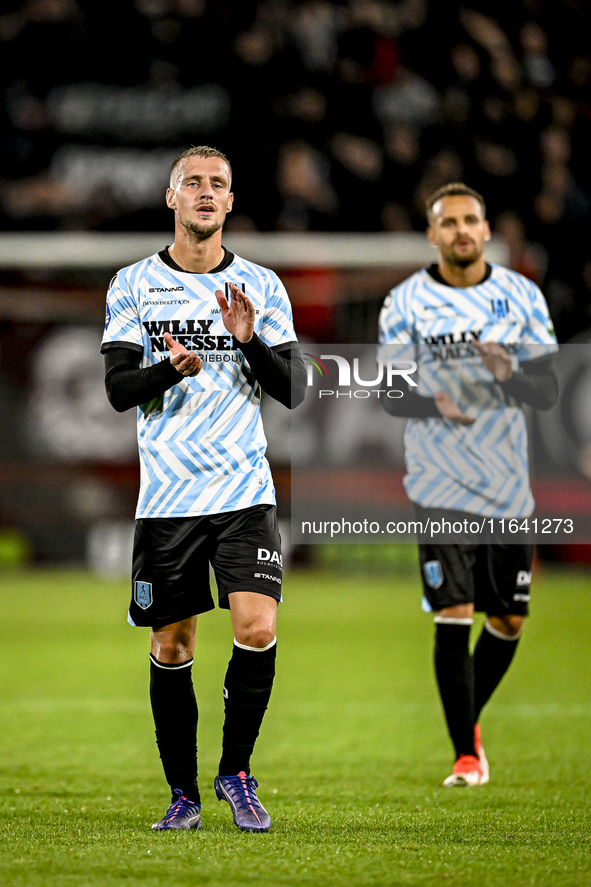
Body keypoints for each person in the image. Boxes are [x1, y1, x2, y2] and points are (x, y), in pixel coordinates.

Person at [101, 145, 306, 830]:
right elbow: (116, 389)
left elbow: (293, 388)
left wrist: (248, 342)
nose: (205, 193)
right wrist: (169, 368)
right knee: (172, 646)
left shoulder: (261, 286)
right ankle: (182, 793)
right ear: (171, 198)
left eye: (217, 183)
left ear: (230, 201)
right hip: (168, 501)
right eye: (193, 182)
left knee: (257, 626)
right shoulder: (133, 284)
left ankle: (236, 772)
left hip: (244, 491)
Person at [378, 182, 558, 786]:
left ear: (486, 231)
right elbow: (391, 392)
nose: (460, 230)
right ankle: (464, 754)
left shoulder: (521, 296)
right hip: (438, 482)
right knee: (453, 611)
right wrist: (436, 405)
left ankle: (466, 720)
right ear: (432, 234)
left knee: (507, 622)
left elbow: (548, 389)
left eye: (470, 220)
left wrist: (511, 373)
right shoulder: (404, 302)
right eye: (448, 222)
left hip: (507, 486)